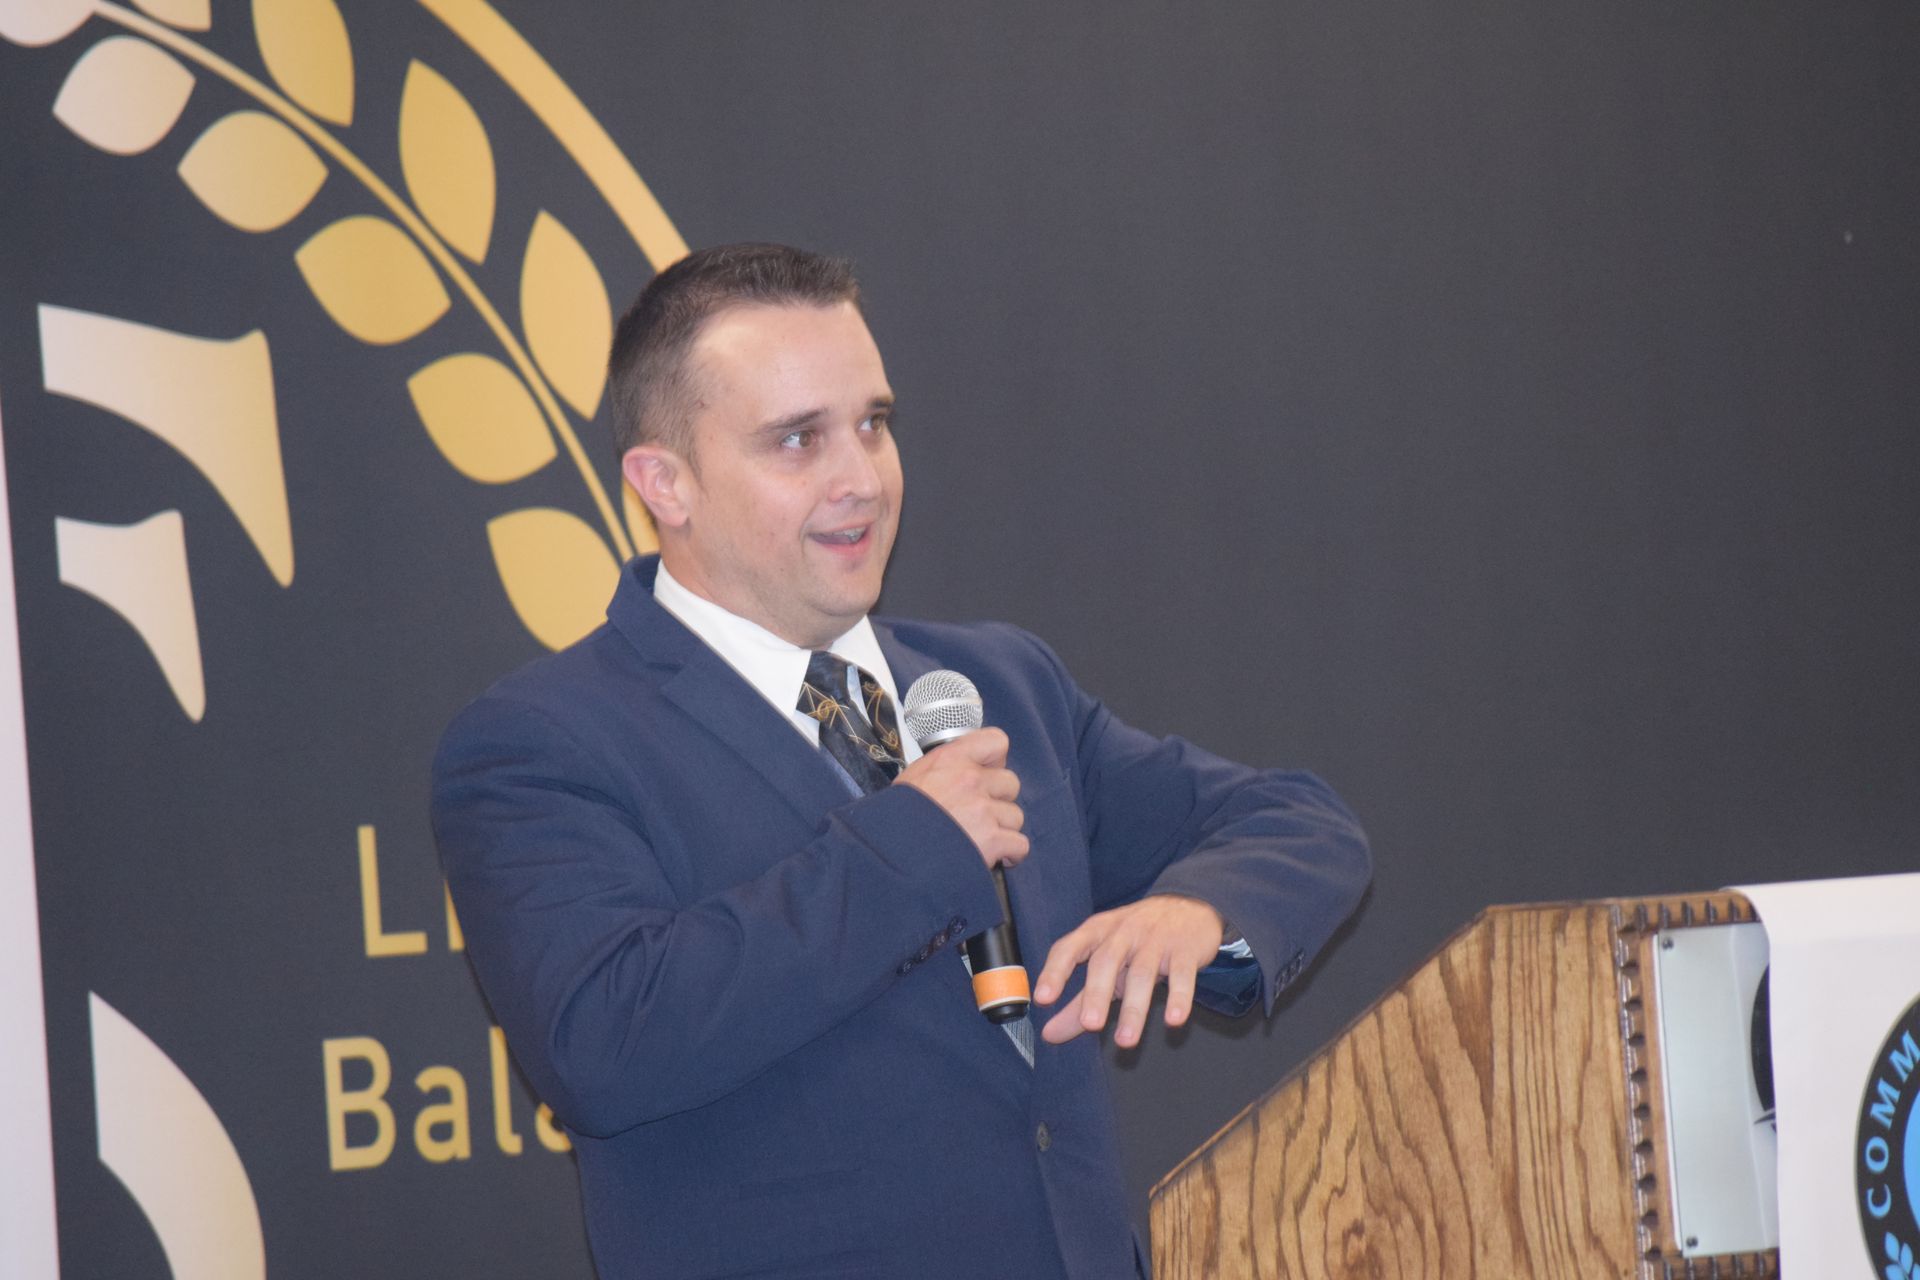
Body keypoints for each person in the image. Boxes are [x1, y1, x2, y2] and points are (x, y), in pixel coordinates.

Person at [431, 243, 1370, 1280]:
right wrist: (914, 841)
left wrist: (1202, 913)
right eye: (797, 440)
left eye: (873, 425)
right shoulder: (543, 742)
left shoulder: (1001, 680)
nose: (860, 478)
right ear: (666, 484)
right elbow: (604, 1040)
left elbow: (1299, 822)